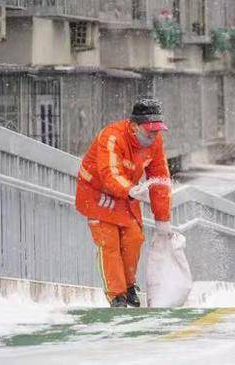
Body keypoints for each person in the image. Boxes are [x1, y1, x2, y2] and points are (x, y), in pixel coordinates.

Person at [75, 98, 172, 307]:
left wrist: (163, 219)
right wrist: (130, 190)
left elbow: (160, 179)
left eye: (157, 131)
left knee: (133, 239)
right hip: (96, 193)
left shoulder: (155, 143)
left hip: (127, 194)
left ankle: (129, 286)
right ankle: (116, 296)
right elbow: (109, 172)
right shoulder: (112, 136)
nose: (154, 136)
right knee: (109, 243)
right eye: (149, 131)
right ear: (134, 126)